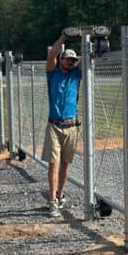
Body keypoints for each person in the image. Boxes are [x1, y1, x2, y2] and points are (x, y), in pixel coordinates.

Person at [43, 35, 82, 217]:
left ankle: (60, 194)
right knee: (54, 164)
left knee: (65, 165)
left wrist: (88, 37)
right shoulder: (53, 73)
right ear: (61, 60)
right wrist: (65, 36)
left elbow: (90, 57)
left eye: (73, 60)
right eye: (67, 59)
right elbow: (51, 55)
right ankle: (51, 201)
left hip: (71, 126)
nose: (71, 62)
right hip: (55, 126)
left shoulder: (76, 75)